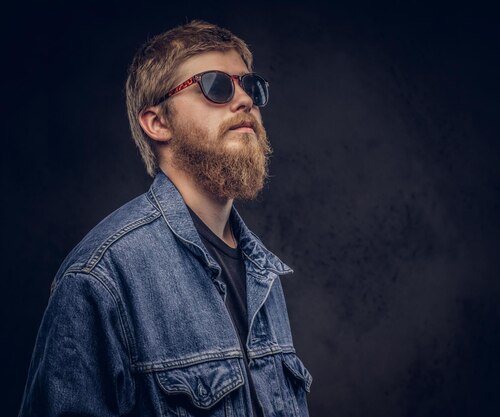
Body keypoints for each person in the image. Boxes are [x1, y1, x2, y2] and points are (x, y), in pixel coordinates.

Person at [19, 19, 312, 417]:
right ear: (157, 122)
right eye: (216, 85)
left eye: (250, 86)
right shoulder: (100, 277)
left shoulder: (264, 275)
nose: (244, 100)